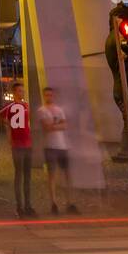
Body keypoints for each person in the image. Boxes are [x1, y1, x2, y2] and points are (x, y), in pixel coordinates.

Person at [36, 85, 78, 215]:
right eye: (47, 95)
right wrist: (57, 125)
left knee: (67, 175)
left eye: (50, 95)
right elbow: (46, 127)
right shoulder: (42, 110)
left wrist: (53, 125)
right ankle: (53, 202)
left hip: (62, 145)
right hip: (50, 146)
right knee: (52, 175)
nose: (49, 97)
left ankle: (70, 202)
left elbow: (64, 125)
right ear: (44, 96)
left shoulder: (59, 110)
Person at [0, 82, 36, 218]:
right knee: (20, 175)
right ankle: (21, 207)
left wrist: (8, 125)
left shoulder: (22, 106)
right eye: (19, 91)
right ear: (14, 93)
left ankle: (27, 205)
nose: (22, 93)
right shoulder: (14, 106)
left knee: (26, 176)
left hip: (26, 143)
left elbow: (26, 122)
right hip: (19, 144)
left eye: (22, 91)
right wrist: (8, 125)